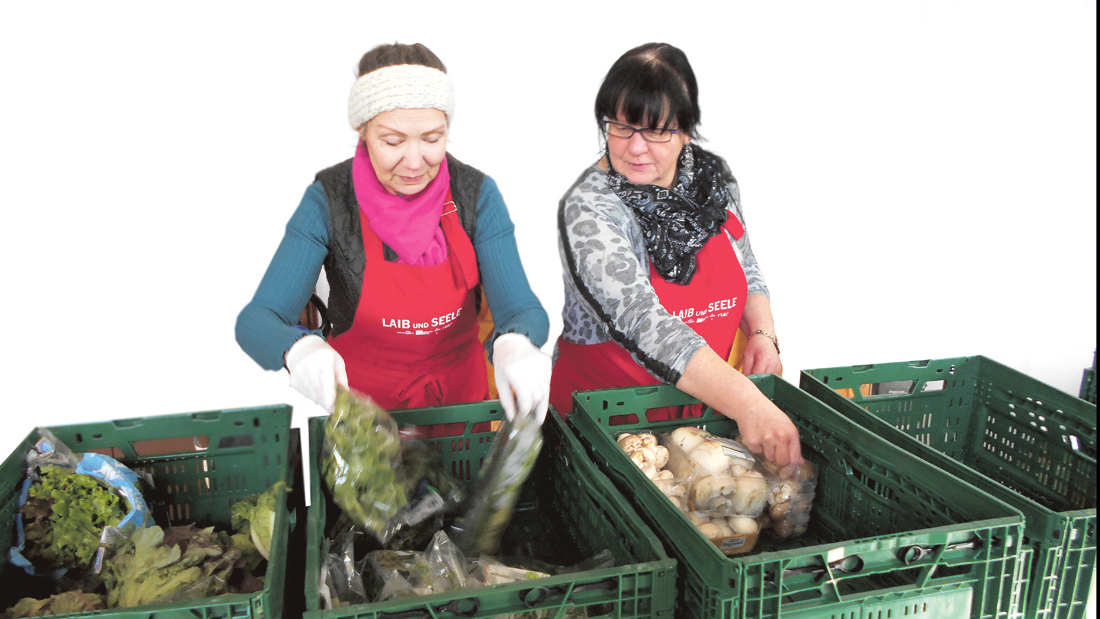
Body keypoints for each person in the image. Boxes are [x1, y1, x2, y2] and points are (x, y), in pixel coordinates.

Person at [237, 43, 551, 423]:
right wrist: (299, 349)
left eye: (433, 138)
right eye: (392, 141)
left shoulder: (476, 196)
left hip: (461, 409)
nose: (415, 162)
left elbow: (523, 309)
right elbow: (256, 321)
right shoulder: (329, 201)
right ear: (363, 130)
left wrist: (515, 343)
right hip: (364, 421)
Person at [549, 43, 801, 466]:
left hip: (703, 420)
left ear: (687, 129)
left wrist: (762, 333)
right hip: (607, 428)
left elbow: (747, 265)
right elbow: (641, 320)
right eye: (622, 127)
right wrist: (749, 404)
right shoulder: (590, 208)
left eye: (657, 130)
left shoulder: (712, 181)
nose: (635, 147)